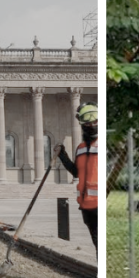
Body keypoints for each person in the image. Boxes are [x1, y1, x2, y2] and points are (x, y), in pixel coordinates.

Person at [55, 102, 99, 258]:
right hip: (86, 205)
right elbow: (76, 172)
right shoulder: (80, 148)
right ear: (82, 124)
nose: (91, 125)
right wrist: (63, 155)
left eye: (94, 121)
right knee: (96, 243)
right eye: (87, 122)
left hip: (100, 204)